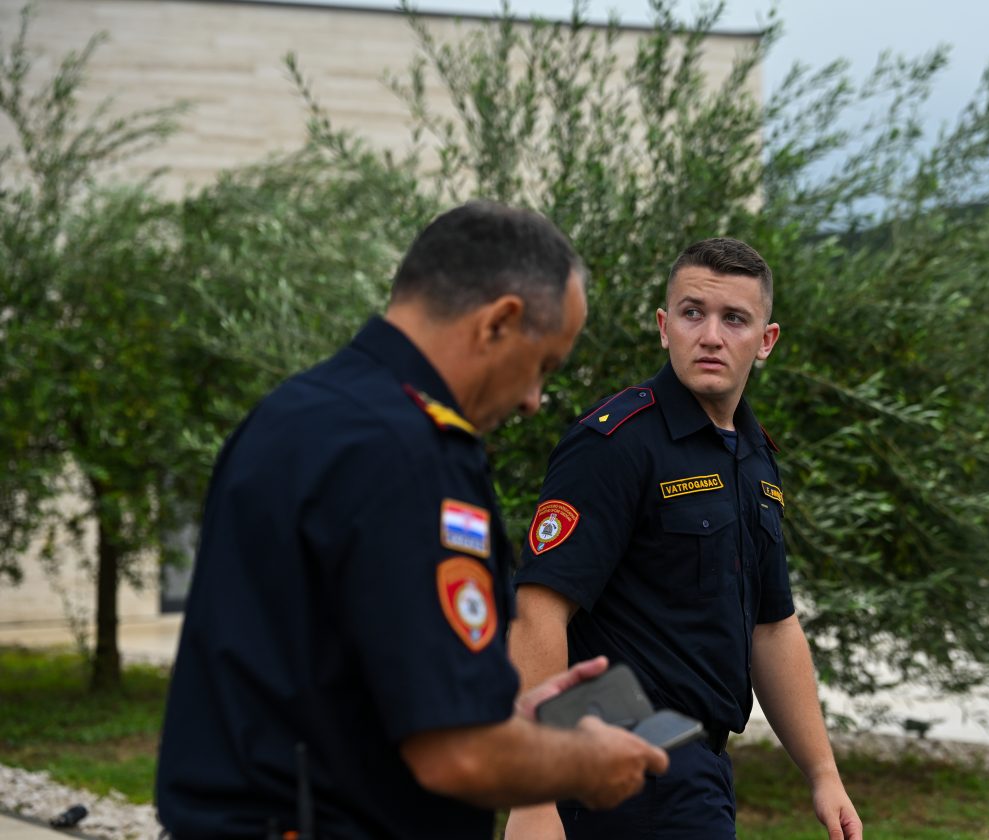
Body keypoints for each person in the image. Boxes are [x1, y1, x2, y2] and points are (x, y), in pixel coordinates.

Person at [155, 201, 668, 839]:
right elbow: (458, 755)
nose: (534, 402)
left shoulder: (290, 415)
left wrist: (500, 714)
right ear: (499, 322)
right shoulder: (413, 454)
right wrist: (584, 762)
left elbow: (324, 672)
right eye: (542, 367)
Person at [506, 238, 863, 839]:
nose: (711, 336)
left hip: (700, 767)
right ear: (664, 326)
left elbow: (773, 627)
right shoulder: (615, 444)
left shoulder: (754, 456)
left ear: (766, 340)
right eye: (693, 313)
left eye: (735, 319)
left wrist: (823, 772)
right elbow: (539, 610)